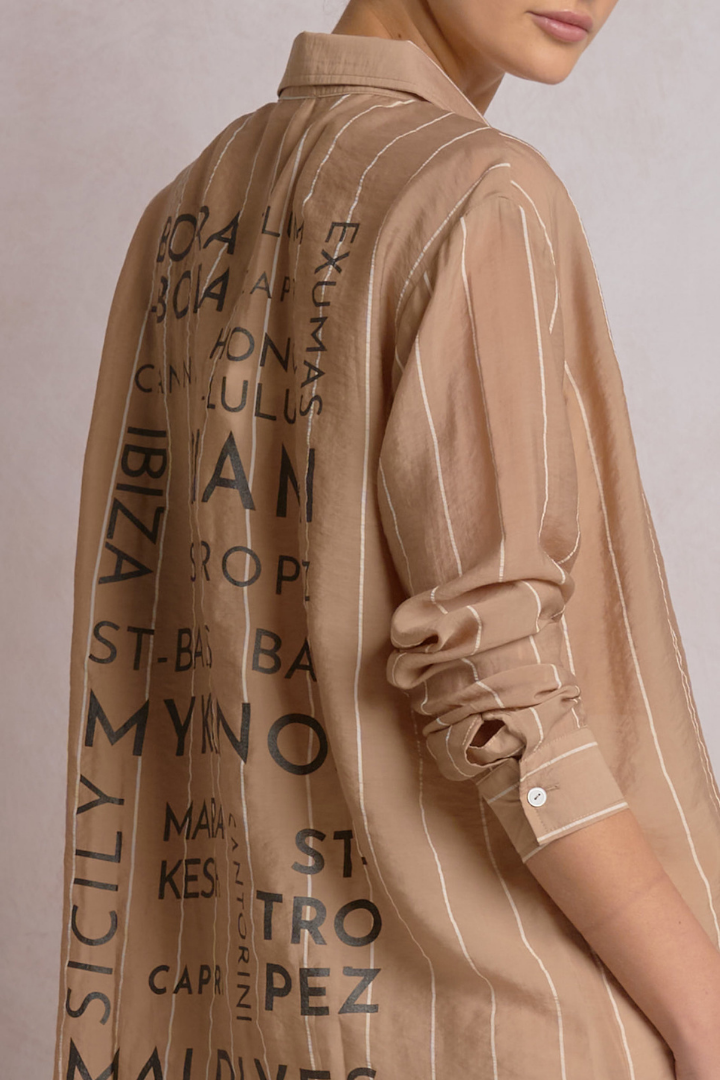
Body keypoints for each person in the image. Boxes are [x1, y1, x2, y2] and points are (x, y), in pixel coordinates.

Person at [55, 2, 720, 1078]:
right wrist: (707, 1013)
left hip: (257, 1026)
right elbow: (495, 678)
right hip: (524, 1029)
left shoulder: (180, 218)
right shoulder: (479, 194)